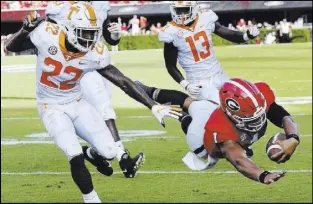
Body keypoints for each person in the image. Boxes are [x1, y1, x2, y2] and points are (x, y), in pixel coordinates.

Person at [5, 4, 181, 202]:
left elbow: (122, 80)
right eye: (84, 33)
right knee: (73, 154)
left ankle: (90, 152)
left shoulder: (93, 52)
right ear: (70, 28)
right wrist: (25, 30)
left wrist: (152, 105)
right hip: (51, 106)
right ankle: (92, 199)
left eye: (92, 34)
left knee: (110, 151)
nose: (89, 40)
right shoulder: (46, 34)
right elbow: (10, 47)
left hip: (77, 102)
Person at [135, 78, 300, 184]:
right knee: (193, 107)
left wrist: (293, 138)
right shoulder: (221, 129)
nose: (259, 120)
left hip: (225, 116)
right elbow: (237, 160)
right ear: (231, 115)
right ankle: (151, 93)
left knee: (205, 96)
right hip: (202, 140)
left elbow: (283, 116)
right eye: (252, 118)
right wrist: (262, 175)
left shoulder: (256, 100)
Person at [45, 1, 143, 178]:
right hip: (78, 64)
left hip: (98, 61)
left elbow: (108, 35)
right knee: (104, 109)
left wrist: (115, 35)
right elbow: (47, 35)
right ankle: (123, 157)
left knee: (101, 112)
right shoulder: (62, 6)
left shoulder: (100, 4)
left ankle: (94, 153)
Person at [158, 1, 259, 156]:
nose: (182, 15)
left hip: (219, 73)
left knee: (238, 104)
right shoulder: (170, 32)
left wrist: (247, 35)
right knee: (224, 108)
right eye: (178, 11)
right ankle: (238, 144)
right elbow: (170, 65)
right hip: (199, 81)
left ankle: (191, 123)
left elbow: (229, 34)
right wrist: (185, 84)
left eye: (185, 10)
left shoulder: (205, 18)